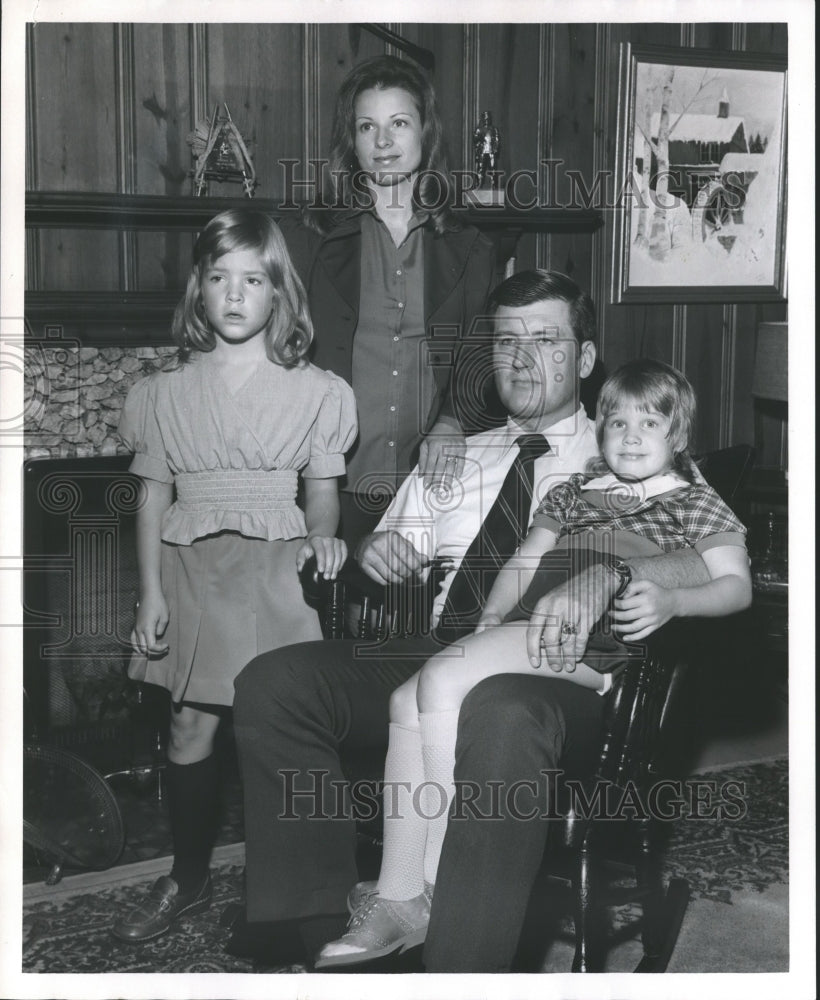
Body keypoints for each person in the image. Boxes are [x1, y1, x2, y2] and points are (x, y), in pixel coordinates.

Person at [230, 270, 712, 970]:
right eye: (506, 341)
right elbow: (381, 552)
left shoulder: (631, 448)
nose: (520, 358)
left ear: (583, 360)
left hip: (556, 671)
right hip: (436, 647)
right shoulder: (456, 456)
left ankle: (461, 963)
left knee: (499, 709)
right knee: (275, 682)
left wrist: (616, 573)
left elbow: (710, 557)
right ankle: (319, 924)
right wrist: (379, 549)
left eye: (545, 341)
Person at [314, 358, 751, 967]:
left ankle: (442, 881)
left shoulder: (694, 504)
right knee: (401, 701)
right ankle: (397, 891)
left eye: (648, 423)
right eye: (616, 421)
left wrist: (675, 597)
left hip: (594, 645)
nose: (629, 435)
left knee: (440, 678)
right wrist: (490, 619)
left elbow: (737, 587)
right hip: (525, 627)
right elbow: (523, 560)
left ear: (677, 436)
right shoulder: (574, 492)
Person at [111, 209, 357, 944]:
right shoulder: (162, 391)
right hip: (190, 569)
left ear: (279, 293)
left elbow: (321, 489)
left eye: (253, 279)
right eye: (219, 278)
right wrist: (150, 590)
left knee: (272, 731)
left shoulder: (316, 390)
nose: (235, 293)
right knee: (189, 727)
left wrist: (323, 539)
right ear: (199, 291)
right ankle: (186, 879)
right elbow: (152, 495)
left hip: (276, 571)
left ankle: (280, 894)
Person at [280, 55, 497, 549]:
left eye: (399, 123)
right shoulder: (309, 237)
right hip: (330, 480)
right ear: (351, 143)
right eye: (366, 127)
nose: (383, 142)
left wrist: (453, 420)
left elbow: (479, 351)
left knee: (419, 620)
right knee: (334, 617)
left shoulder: (469, 245)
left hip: (430, 481)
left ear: (425, 133)